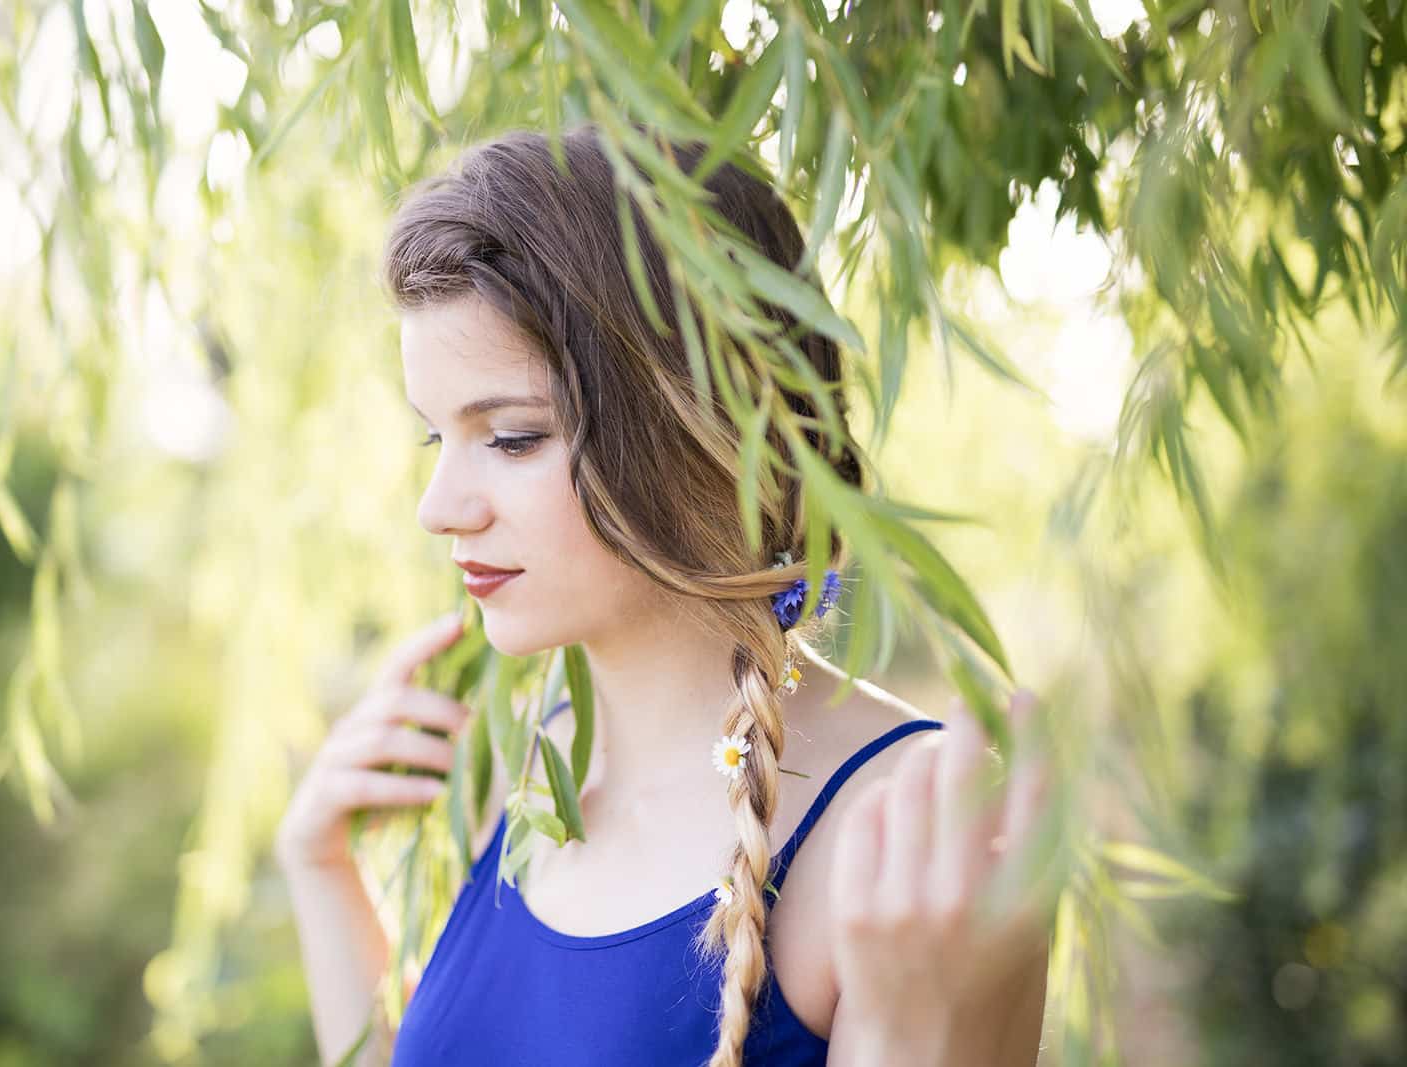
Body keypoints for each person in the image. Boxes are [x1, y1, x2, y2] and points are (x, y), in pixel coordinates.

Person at [275, 122, 1055, 1067]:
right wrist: (320, 873)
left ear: (697, 427)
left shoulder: (894, 842)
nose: (438, 509)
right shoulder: (525, 771)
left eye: (513, 437)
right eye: (434, 439)